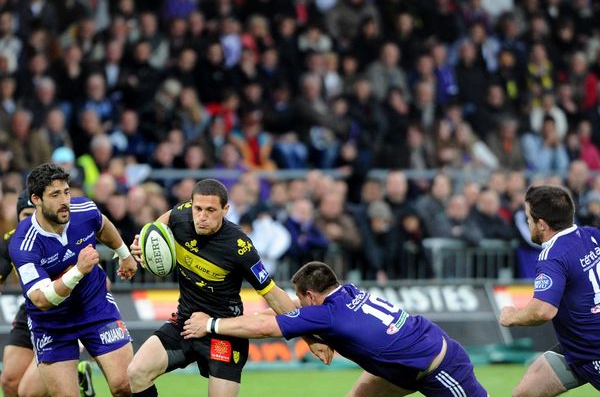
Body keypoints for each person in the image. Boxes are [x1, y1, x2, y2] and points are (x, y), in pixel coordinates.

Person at [127, 179, 331, 397]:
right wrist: (147, 240)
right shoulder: (181, 215)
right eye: (197, 209)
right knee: (136, 372)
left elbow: (272, 295)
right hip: (185, 323)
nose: (202, 217)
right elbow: (162, 223)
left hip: (224, 331)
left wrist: (309, 339)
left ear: (225, 210)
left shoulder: (239, 247)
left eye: (210, 210)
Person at [182, 261, 489, 397]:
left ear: (312, 296)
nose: (300, 306)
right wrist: (313, 337)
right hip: (406, 364)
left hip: (441, 366)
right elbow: (313, 315)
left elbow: (264, 326)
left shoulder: (325, 315)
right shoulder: (349, 291)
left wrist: (210, 324)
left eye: (301, 299)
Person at [8, 163, 138, 397]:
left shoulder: (84, 209)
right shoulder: (23, 244)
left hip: (94, 306)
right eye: (55, 195)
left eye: (66, 192)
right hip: (52, 322)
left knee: (125, 385)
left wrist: (125, 255)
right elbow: (41, 299)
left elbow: (102, 224)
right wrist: (78, 270)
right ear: (36, 199)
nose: (64, 200)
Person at [500, 185, 600, 395]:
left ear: (542, 224)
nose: (528, 223)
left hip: (591, 350)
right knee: (524, 394)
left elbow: (543, 310)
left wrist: (512, 317)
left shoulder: (552, 257)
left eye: (529, 218)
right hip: (575, 346)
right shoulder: (591, 235)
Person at [0, 190, 97, 397]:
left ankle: (75, 374)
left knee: (30, 392)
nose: (31, 219)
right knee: (9, 381)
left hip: (67, 310)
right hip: (32, 310)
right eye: (25, 215)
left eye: (34, 213)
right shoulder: (12, 242)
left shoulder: (66, 232)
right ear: (17, 218)